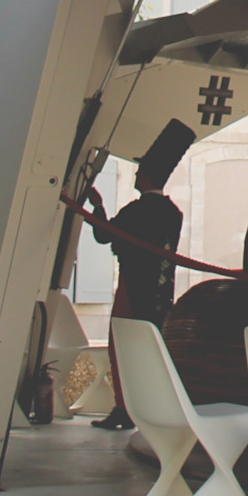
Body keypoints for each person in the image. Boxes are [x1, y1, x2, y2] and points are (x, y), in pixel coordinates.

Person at [89, 118, 195, 429]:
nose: (135, 173)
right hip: (162, 291)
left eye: (139, 170)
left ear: (147, 174)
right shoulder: (173, 214)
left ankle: (125, 408)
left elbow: (103, 236)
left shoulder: (136, 211)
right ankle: (148, 407)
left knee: (121, 349)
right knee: (152, 353)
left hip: (132, 289)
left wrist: (97, 206)